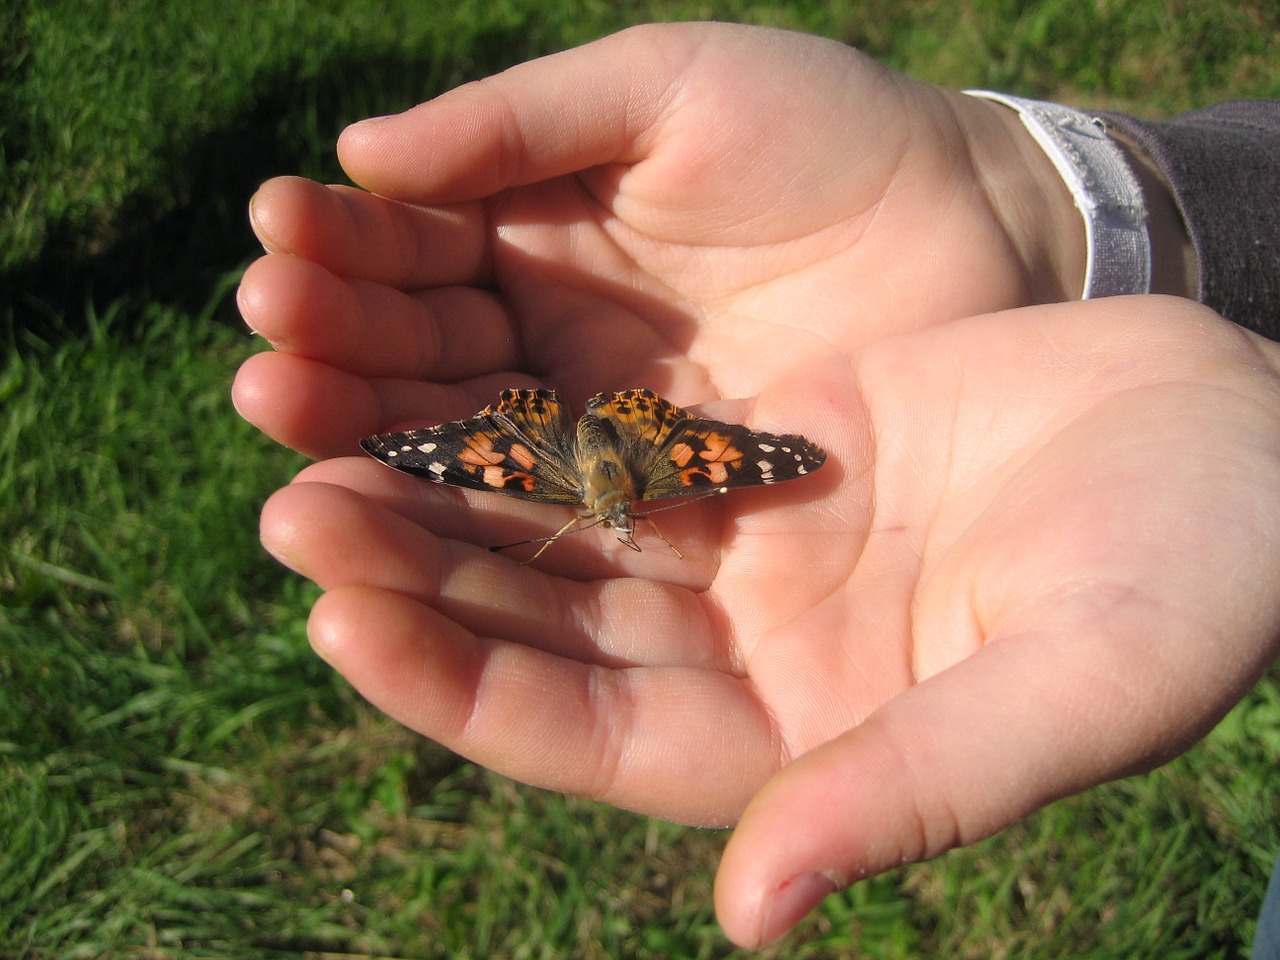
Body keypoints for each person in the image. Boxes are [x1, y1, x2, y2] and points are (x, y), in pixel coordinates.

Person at [231, 22, 1280, 949]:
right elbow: (722, 459)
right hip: (618, 444)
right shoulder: (662, 476)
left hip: (563, 447)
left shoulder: (606, 485)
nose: (616, 525)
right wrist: (1046, 209)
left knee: (510, 466)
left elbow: (730, 462)